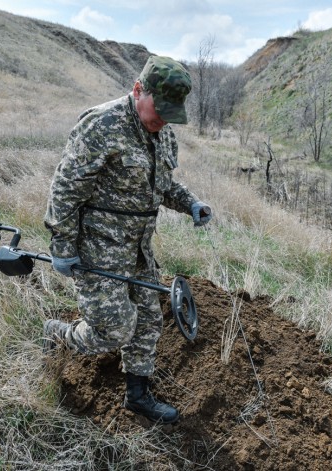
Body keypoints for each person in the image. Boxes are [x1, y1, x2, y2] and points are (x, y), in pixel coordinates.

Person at [42, 56, 212, 424]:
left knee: (149, 320)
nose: (163, 120)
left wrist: (191, 204)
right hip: (97, 250)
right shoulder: (101, 125)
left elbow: (162, 186)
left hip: (138, 251)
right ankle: (57, 334)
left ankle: (137, 396)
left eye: (171, 114)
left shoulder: (163, 133)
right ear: (138, 90)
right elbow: (65, 190)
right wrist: (62, 247)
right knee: (115, 330)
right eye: (159, 110)